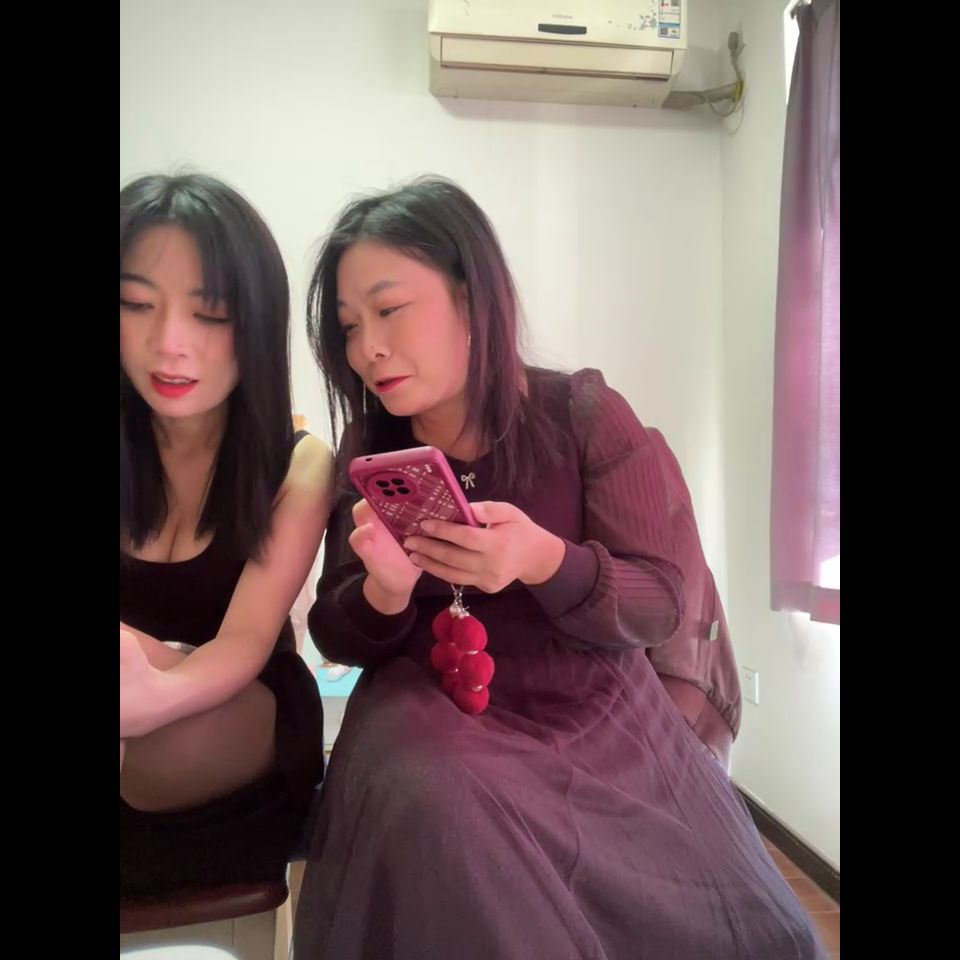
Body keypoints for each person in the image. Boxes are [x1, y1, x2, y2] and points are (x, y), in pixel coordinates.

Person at [295, 175, 827, 959]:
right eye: (348, 327)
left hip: (594, 709)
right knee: (449, 815)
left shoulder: (582, 413)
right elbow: (334, 633)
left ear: (473, 300)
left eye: (390, 309)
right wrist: (384, 592)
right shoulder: (371, 452)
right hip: (433, 709)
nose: (366, 348)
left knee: (761, 930)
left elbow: (660, 603)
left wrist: (544, 559)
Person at [119, 172, 331, 897]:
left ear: (256, 322)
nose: (168, 343)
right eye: (135, 304)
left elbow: (244, 641)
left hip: (239, 715)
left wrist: (153, 697)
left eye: (209, 313)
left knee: (154, 735)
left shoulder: (299, 464)